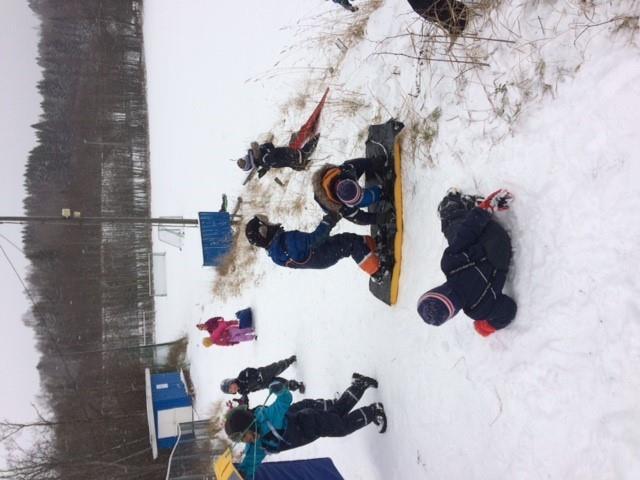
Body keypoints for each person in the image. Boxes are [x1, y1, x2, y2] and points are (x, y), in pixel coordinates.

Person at [225, 373, 386, 477]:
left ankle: (373, 411)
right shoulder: (256, 446)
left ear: (249, 426)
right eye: (242, 441)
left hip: (310, 422)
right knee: (336, 414)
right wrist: (241, 473)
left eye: (244, 437)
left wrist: (280, 390)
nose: (246, 442)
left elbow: (285, 400)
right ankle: (359, 384)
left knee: (341, 427)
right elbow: (249, 464)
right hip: (308, 433)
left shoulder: (267, 417)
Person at [417, 188, 516, 337]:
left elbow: (509, 309)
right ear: (437, 289)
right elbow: (466, 233)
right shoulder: (450, 265)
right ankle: (454, 209)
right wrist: (484, 210)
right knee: (455, 231)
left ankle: (463, 212)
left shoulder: (478, 310)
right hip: (492, 236)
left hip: (502, 257)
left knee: (459, 240)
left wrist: (487, 325)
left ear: (453, 313)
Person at [244, 213, 381, 277]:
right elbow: (316, 239)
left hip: (318, 258)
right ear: (264, 231)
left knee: (346, 238)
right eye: (268, 223)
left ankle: (373, 248)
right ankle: (376, 271)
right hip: (322, 253)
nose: (272, 223)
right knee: (351, 244)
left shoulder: (275, 252)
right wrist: (328, 221)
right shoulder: (287, 241)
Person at [313, 157, 393, 225]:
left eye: (361, 192)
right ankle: (380, 193)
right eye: (357, 200)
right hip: (330, 202)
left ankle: (379, 190)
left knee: (364, 194)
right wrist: (382, 218)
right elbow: (361, 218)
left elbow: (361, 163)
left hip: (339, 177)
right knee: (366, 199)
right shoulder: (343, 209)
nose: (362, 194)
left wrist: (373, 162)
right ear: (347, 204)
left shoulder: (348, 170)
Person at [220, 356, 305, 406]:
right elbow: (245, 400)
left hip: (264, 374)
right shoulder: (242, 391)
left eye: (231, 386)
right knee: (279, 385)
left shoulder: (241, 377)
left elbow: (249, 370)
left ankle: (289, 361)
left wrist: (255, 376)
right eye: (231, 391)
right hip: (265, 384)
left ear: (231, 382)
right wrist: (243, 403)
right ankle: (296, 385)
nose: (233, 389)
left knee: (277, 367)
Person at [236, 134, 320, 178]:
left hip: (294, 157)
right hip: (291, 156)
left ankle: (316, 138)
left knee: (304, 154)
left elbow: (271, 152)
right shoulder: (262, 159)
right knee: (302, 156)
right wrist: (265, 167)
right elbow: (270, 146)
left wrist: (266, 163)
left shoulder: (263, 159)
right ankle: (314, 138)